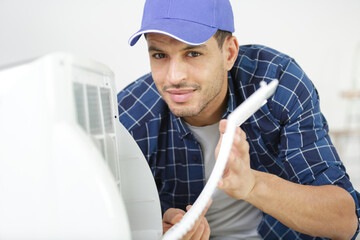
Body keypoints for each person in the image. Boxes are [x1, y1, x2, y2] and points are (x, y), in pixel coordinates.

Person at [118, 0, 360, 239]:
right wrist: (152, 232)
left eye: (193, 53)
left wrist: (253, 185)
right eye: (160, 55)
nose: (174, 76)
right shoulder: (127, 118)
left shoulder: (280, 83)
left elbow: (346, 220)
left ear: (229, 53)